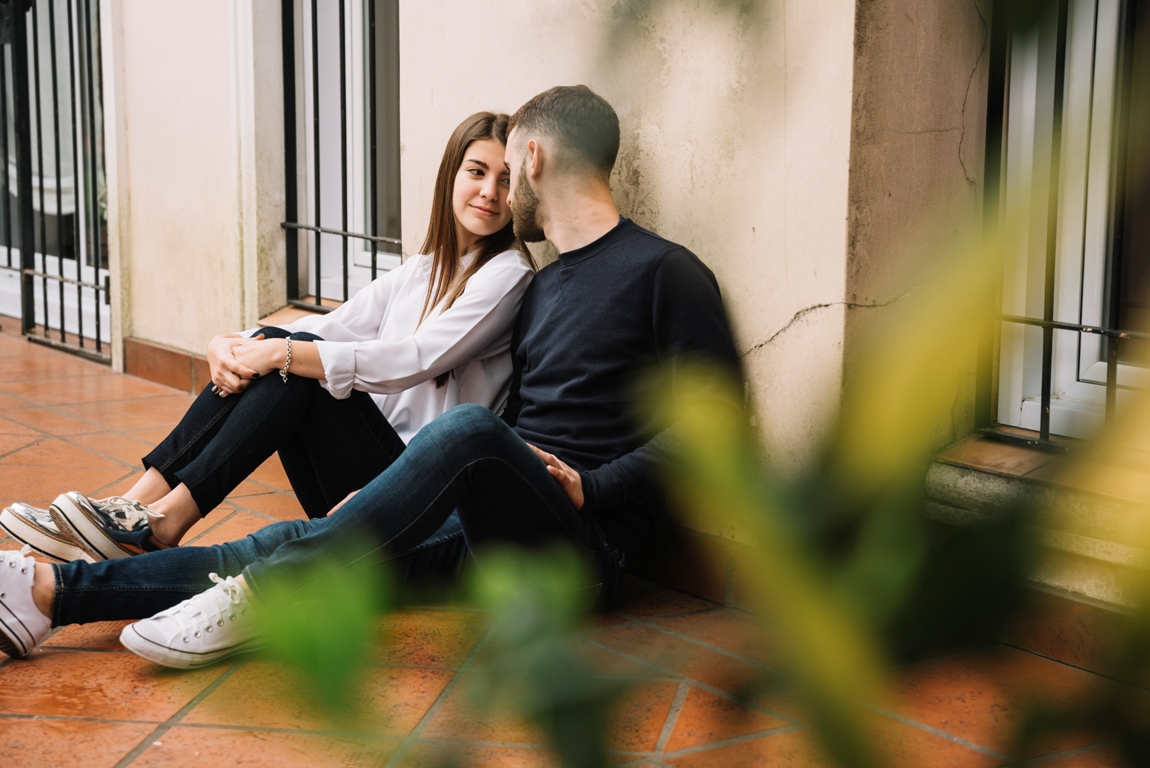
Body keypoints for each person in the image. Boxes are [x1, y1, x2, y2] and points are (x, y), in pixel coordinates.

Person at [0, 85, 741, 669]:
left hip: (580, 553)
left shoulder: (664, 272)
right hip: (490, 533)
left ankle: (258, 591)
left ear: (535, 157)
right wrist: (395, 487)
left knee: (468, 435)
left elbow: (719, 431)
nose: (501, 188)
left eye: (509, 167)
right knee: (290, 540)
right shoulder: (547, 285)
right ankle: (45, 595)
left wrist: (595, 486)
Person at [0, 111, 534, 562]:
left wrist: (278, 350)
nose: (490, 191)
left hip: (413, 497)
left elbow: (412, 359)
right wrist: (230, 343)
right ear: (450, 176)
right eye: (477, 171)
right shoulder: (426, 268)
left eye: (506, 179)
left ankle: (157, 524)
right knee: (289, 351)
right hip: (361, 480)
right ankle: (130, 508)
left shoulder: (509, 274)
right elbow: (327, 326)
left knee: (294, 363)